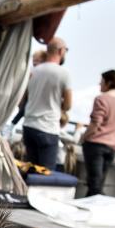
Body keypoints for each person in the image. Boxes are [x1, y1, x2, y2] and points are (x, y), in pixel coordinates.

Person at [20, 38, 72, 171]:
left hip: (29, 126)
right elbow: (68, 105)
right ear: (60, 51)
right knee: (45, 174)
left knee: (30, 169)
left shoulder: (33, 72)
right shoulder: (63, 74)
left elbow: (22, 101)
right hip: (48, 127)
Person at [78, 69, 115, 196]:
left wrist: (83, 137)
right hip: (113, 146)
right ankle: (93, 205)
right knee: (99, 182)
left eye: (101, 81)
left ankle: (92, 206)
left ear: (109, 83)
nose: (99, 84)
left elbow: (95, 124)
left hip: (96, 145)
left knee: (94, 183)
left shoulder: (102, 99)